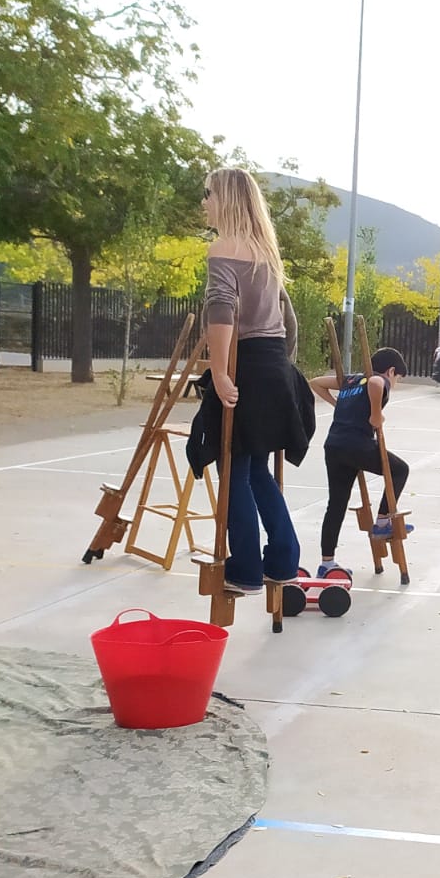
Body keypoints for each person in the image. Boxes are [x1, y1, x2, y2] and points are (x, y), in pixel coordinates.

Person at [188, 167, 315, 595]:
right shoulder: (265, 250)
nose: (204, 202)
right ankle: (283, 560)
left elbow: (221, 312)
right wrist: (280, 366)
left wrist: (220, 372)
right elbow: (289, 321)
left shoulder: (224, 247)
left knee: (234, 470)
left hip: (247, 365)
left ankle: (243, 569)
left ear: (225, 198)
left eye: (208, 194)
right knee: (256, 469)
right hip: (274, 366)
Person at [309, 348, 410, 578]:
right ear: (391, 371)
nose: (394, 383)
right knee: (400, 470)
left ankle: (327, 562)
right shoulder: (378, 380)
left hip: (334, 445)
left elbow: (316, 383)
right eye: (397, 378)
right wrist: (376, 414)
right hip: (357, 444)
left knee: (336, 504)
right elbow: (376, 382)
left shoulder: (350, 380)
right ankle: (383, 520)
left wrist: (336, 404)